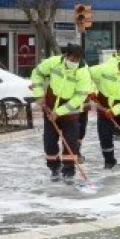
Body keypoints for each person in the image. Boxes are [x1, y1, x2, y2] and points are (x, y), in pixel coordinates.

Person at [30, 44, 93, 183]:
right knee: (49, 142)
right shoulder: (53, 62)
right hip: (51, 105)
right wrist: (39, 94)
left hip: (71, 109)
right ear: (65, 55)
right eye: (72, 58)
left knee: (70, 142)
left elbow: (79, 97)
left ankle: (69, 172)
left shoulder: (83, 72)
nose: (74, 61)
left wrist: (59, 112)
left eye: (77, 59)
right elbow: (37, 74)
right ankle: (54, 168)